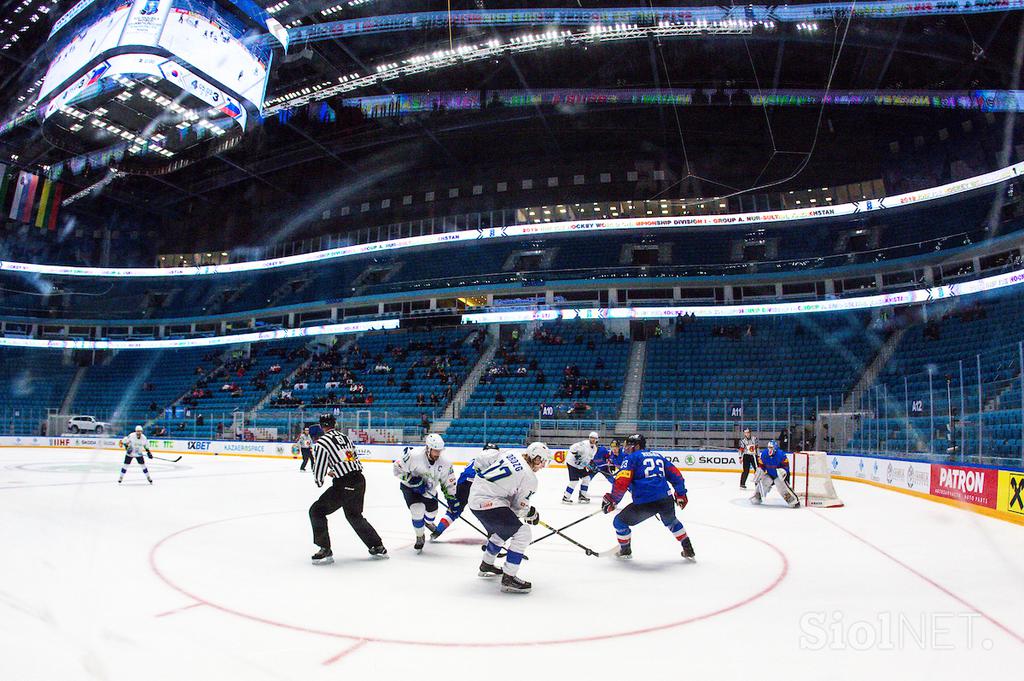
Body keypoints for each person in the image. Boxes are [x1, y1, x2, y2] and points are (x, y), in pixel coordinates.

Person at [469, 441, 550, 593]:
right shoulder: (530, 479)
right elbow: (518, 507)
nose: (543, 466)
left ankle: (487, 564)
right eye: (542, 461)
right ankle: (509, 577)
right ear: (536, 457)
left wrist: (526, 512)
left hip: (475, 497)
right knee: (523, 533)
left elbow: (481, 461)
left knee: (504, 530)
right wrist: (530, 514)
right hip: (488, 503)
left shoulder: (512, 454)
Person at [309, 413, 388, 565]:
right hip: (359, 480)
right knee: (354, 515)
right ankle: (377, 546)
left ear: (321, 426)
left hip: (344, 483)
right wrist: (336, 470)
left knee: (316, 511)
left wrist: (320, 479)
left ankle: (324, 548)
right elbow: (350, 458)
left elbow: (319, 468)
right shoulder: (344, 438)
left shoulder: (322, 443)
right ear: (335, 424)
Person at [601, 434, 695, 560]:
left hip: (646, 503)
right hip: (665, 499)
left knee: (619, 522)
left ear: (638, 446)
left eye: (629, 445)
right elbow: (676, 475)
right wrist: (681, 494)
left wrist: (613, 499)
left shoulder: (631, 459)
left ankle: (625, 550)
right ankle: (688, 548)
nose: (626, 448)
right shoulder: (658, 456)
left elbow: (622, 482)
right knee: (671, 521)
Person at [393, 433, 457, 552]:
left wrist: (451, 498)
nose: (437, 454)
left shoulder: (445, 463)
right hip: (410, 488)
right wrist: (411, 480)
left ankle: (428, 522)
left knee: (432, 513)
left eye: (439, 451)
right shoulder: (413, 455)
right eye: (435, 451)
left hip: (430, 490)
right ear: (428, 448)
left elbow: (448, 482)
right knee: (417, 510)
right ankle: (419, 535)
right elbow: (397, 469)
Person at [431, 442, 500, 539]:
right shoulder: (494, 461)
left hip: (463, 483)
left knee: (455, 509)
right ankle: (494, 536)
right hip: (478, 484)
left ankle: (437, 531)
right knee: (485, 509)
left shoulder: (475, 459)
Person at [750, 440, 800, 508]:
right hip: (770, 473)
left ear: (775, 448)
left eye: (771, 447)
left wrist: (783, 472)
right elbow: (762, 465)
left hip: (780, 474)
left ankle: (793, 501)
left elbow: (786, 466)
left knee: (781, 485)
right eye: (769, 447)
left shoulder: (781, 454)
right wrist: (760, 471)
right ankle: (757, 496)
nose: (770, 449)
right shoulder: (764, 454)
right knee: (765, 482)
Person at [562, 431, 599, 504]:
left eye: (594, 438)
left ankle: (582, 496)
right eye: (591, 438)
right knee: (574, 481)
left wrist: (590, 465)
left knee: (587, 478)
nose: (593, 439)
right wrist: (576, 456)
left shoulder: (594, 449)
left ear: (597, 439)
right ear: (589, 438)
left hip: (580, 465)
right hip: (572, 463)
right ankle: (566, 497)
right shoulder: (584, 444)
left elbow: (589, 459)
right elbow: (572, 448)